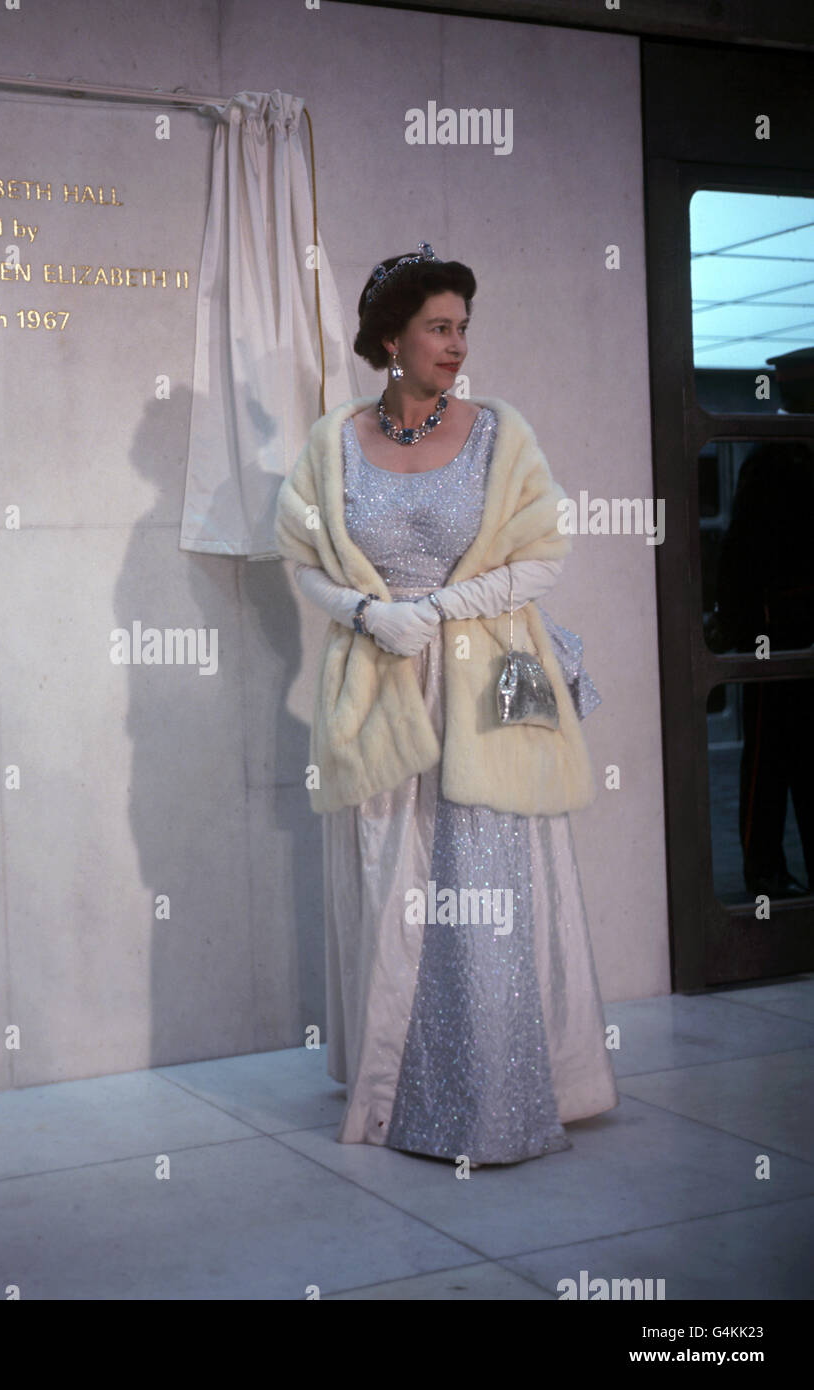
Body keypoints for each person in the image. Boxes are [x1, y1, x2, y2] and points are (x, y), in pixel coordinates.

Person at [276, 243, 617, 1164]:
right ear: (391, 338)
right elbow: (301, 563)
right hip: (382, 687)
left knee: (488, 887)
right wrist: (364, 612)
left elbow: (542, 558)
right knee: (395, 884)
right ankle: (396, 1087)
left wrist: (433, 609)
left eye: (464, 327)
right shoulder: (335, 441)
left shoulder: (501, 431)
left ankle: (498, 1100)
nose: (457, 343)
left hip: (489, 682)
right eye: (439, 326)